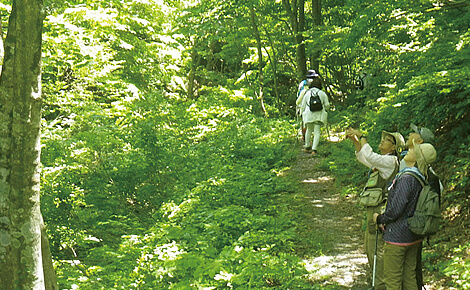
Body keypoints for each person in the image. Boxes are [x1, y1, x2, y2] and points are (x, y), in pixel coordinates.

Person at [346, 129, 405, 290]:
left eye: (386, 140)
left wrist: (363, 136)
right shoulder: (384, 160)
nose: (382, 141)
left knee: (376, 248)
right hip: (373, 208)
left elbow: (370, 156)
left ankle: (380, 284)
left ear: (393, 148)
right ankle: (378, 281)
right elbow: (364, 157)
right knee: (370, 245)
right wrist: (356, 141)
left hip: (379, 209)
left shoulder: (391, 161)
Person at [373, 141, 437, 290]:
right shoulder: (423, 177)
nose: (410, 149)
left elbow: (396, 209)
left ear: (418, 158)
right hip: (413, 236)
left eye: (415, 150)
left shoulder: (407, 178)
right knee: (409, 277)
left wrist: (379, 219)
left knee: (392, 280)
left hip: (397, 237)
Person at [299, 72, 330, 155]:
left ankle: (307, 146)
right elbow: (327, 105)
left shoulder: (307, 93)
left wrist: (301, 114)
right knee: (317, 131)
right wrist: (326, 110)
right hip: (319, 116)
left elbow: (303, 105)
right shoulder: (322, 93)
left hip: (309, 115)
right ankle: (314, 150)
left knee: (308, 130)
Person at [296, 70, 319, 141]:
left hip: (302, 104)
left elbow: (298, 94)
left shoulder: (302, 83)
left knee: (304, 121)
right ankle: (309, 139)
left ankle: (305, 137)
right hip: (313, 104)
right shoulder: (315, 83)